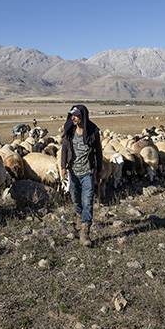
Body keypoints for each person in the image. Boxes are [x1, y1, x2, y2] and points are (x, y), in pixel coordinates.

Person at [59, 104, 103, 247]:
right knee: (75, 198)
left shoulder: (92, 131)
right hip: (73, 172)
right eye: (72, 115)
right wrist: (63, 166)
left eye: (76, 116)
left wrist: (99, 169)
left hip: (88, 173)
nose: (73, 118)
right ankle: (79, 217)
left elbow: (98, 152)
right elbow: (65, 149)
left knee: (88, 201)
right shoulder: (69, 130)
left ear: (82, 116)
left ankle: (85, 232)